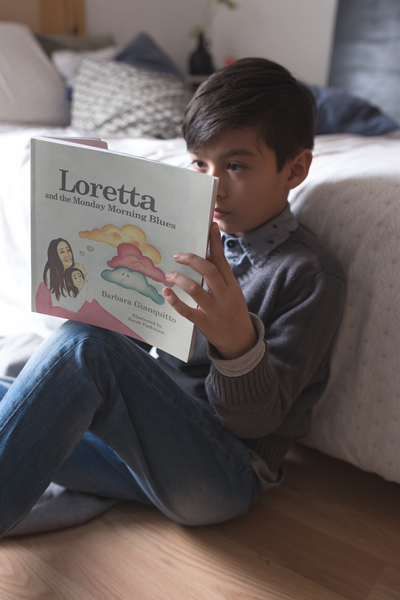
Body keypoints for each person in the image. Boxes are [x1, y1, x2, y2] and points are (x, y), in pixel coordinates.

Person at [0, 57, 346, 538]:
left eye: (236, 165)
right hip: (144, 444)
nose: (213, 186)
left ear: (296, 168)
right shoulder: (186, 238)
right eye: (200, 164)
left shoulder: (309, 274)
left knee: (83, 345)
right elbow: (132, 357)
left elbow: (257, 426)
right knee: (25, 387)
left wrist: (237, 346)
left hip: (224, 471)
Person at [43, 238, 87, 306]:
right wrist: (86, 276)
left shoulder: (72, 271)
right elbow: (74, 306)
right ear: (55, 256)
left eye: (68, 250)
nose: (67, 255)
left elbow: (90, 297)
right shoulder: (51, 274)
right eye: (62, 252)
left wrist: (85, 274)